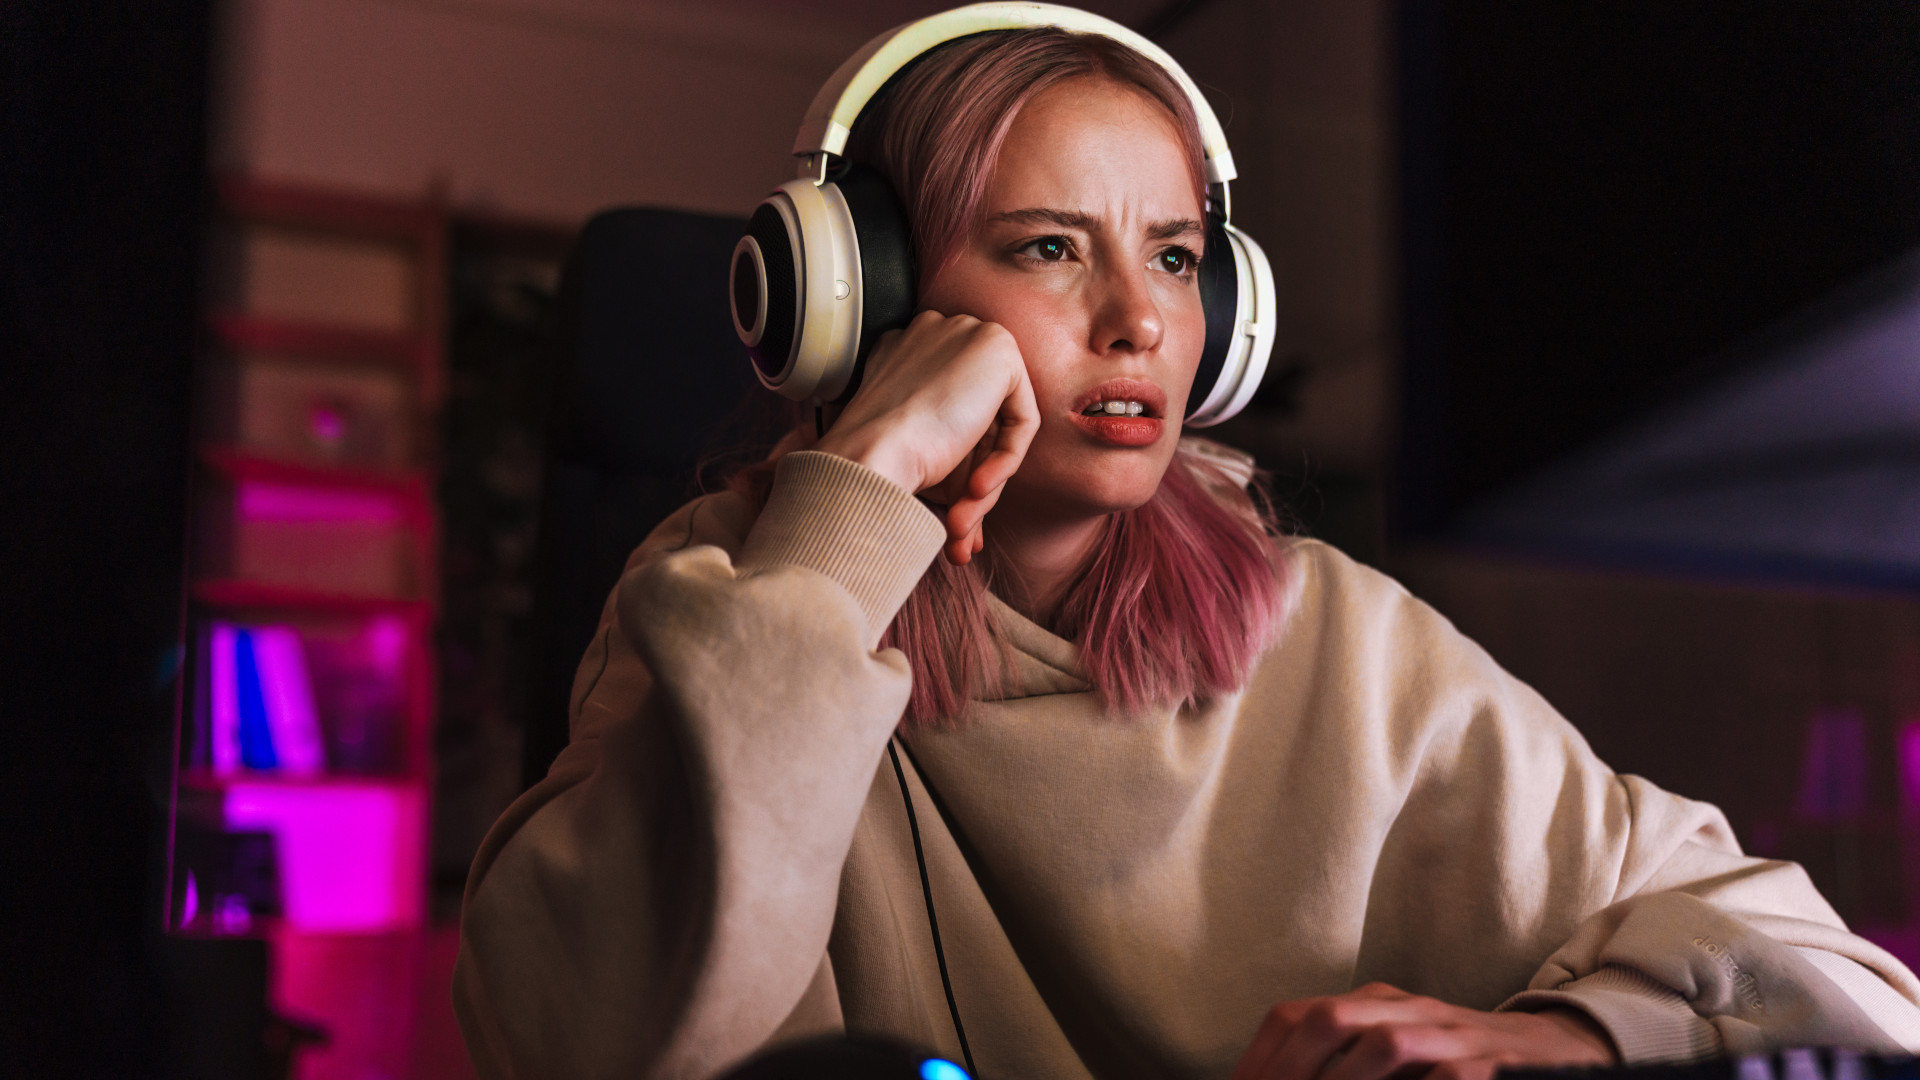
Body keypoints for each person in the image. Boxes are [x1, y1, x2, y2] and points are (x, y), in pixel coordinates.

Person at [453, 14, 1920, 1080]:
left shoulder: (1333, 638)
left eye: (1170, 254)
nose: (1138, 320)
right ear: (861, 295)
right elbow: (582, 1037)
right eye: (1046, 246)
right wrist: (859, 492)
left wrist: (1571, 1034)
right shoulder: (729, 600)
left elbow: (1839, 986)